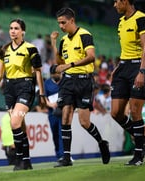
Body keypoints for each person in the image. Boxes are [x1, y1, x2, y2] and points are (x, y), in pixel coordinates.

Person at [50, 7, 110, 167]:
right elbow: (60, 63)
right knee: (65, 116)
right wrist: (53, 43)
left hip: (84, 81)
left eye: (63, 23)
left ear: (71, 20)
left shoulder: (84, 35)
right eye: (59, 23)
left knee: (84, 122)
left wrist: (71, 64)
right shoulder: (63, 40)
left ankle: (102, 143)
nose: (61, 26)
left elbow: (91, 57)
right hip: (68, 81)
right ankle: (66, 157)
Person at [0, 18, 46, 171]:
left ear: (23, 31)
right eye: (11, 28)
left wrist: (41, 93)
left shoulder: (31, 49)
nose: (13, 31)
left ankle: (19, 158)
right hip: (9, 90)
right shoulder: (4, 49)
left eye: (16, 28)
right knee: (20, 125)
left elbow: (38, 72)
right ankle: (27, 161)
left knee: (14, 122)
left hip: (25, 87)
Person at [111, 0, 145, 165]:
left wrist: (142, 71)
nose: (114, 5)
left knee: (135, 112)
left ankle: (138, 154)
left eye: (116, 1)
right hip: (123, 66)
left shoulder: (141, 18)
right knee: (116, 113)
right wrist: (118, 66)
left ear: (125, 2)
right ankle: (142, 138)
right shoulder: (121, 22)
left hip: (138, 66)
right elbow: (125, 48)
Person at [44, 66, 64, 165]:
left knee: (63, 133)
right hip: (52, 112)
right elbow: (43, 98)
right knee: (55, 134)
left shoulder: (64, 81)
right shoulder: (46, 83)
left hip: (63, 111)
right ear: (51, 74)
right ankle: (59, 155)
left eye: (58, 73)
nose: (57, 75)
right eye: (55, 73)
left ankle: (64, 155)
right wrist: (51, 104)